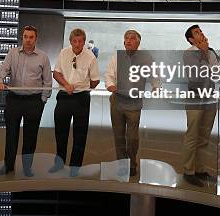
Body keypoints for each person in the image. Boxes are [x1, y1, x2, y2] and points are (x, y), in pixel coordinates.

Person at [0, 26, 52, 176]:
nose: (28, 40)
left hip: (34, 101)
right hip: (14, 99)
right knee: (11, 134)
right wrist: (0, 80)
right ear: (22, 37)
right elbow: (3, 70)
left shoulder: (43, 57)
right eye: (25, 36)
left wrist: (43, 100)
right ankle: (8, 165)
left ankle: (27, 167)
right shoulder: (13, 53)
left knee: (30, 136)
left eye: (31, 37)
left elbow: (47, 81)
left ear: (36, 39)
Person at [105, 30, 159, 177]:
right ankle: (122, 165)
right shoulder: (117, 56)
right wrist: (110, 85)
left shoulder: (145, 57)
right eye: (126, 38)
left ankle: (132, 162)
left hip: (134, 104)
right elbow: (109, 74)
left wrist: (156, 86)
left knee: (132, 138)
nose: (128, 41)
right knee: (118, 135)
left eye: (132, 38)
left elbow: (154, 73)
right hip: (117, 101)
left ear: (138, 42)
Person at [48, 29, 99, 177]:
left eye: (80, 41)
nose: (77, 44)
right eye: (74, 41)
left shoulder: (91, 57)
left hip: (81, 98)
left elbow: (95, 81)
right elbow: (56, 73)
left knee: (80, 134)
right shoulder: (63, 53)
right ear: (70, 41)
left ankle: (75, 167)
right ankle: (59, 163)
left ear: (84, 41)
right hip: (64, 96)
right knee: (60, 132)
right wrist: (66, 84)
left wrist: (84, 87)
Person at [181, 25, 220, 187]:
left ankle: (200, 169)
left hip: (210, 98)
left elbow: (218, 73)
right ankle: (188, 171)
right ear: (191, 39)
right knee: (192, 135)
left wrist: (207, 53)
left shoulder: (211, 51)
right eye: (197, 33)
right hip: (195, 98)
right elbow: (197, 75)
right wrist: (204, 54)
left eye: (201, 31)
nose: (201, 34)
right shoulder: (189, 53)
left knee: (204, 136)